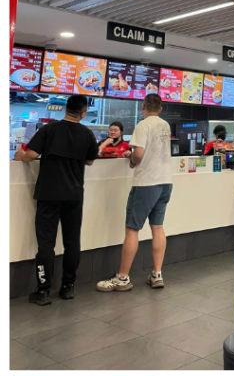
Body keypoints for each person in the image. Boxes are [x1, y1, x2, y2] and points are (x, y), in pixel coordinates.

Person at [13, 94, 98, 304]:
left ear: (65, 108)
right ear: (83, 113)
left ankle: (43, 291)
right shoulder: (87, 134)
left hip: (48, 194)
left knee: (45, 244)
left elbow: (31, 155)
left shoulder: (49, 129)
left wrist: (19, 155)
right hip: (74, 195)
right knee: (72, 243)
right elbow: (89, 161)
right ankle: (68, 288)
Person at [96, 93, 173, 292]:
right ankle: (157, 274)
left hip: (146, 183)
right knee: (158, 227)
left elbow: (138, 154)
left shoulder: (143, 125)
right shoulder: (165, 125)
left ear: (143, 107)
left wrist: (131, 160)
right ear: (160, 109)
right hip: (166, 182)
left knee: (132, 229)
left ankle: (122, 278)